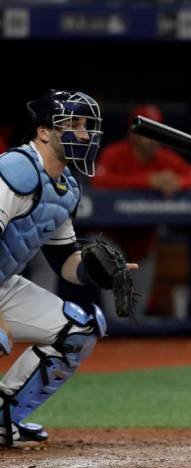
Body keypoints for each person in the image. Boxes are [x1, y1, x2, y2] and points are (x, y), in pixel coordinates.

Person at [0, 90, 137, 447]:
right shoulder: (15, 169)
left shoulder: (66, 189)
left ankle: (3, 418)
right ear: (44, 132)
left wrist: (97, 271)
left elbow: (63, 261)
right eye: (72, 125)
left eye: (87, 126)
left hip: (3, 283)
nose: (84, 133)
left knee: (82, 326)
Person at [91, 105, 191, 317]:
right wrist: (148, 181)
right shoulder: (115, 153)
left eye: (157, 132)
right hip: (111, 238)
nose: (154, 138)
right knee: (116, 314)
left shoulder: (164, 158)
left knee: (137, 312)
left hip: (144, 241)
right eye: (148, 132)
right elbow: (99, 182)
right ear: (133, 132)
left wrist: (178, 181)